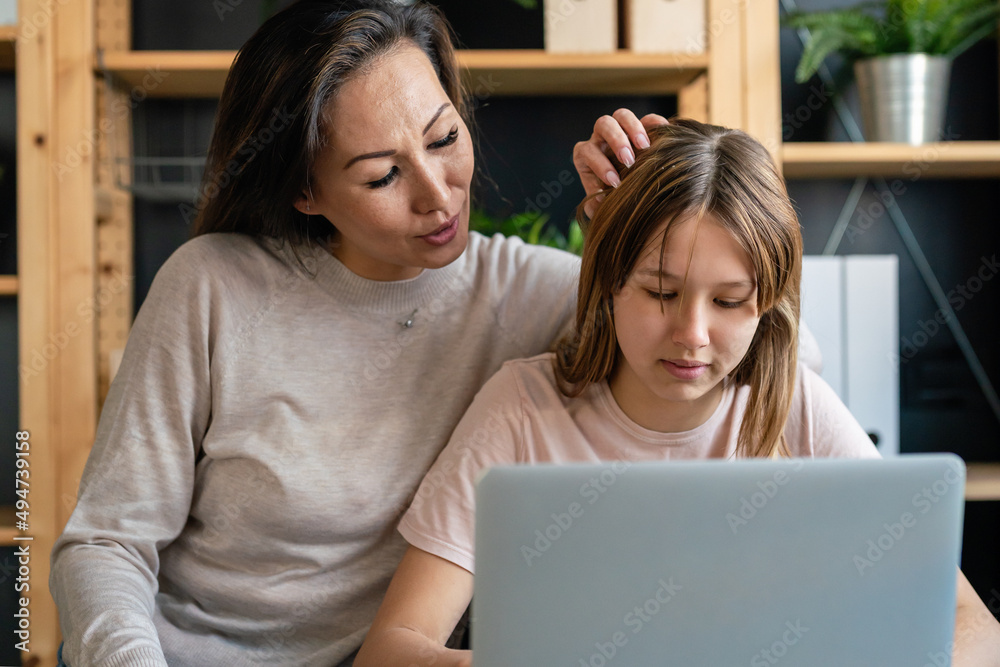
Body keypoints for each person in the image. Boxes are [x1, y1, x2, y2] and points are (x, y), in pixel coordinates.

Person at [48, 1, 668, 665]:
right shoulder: (211, 287)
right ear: (305, 192)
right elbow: (105, 542)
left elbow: (764, 363)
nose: (438, 194)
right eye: (382, 174)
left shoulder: (533, 295)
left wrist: (650, 224)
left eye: (442, 138)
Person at [355, 119, 1000, 667]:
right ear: (607, 280)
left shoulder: (792, 407)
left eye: (728, 301)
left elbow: (974, 625)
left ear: (766, 305)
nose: (691, 336)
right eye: (661, 293)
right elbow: (391, 648)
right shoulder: (523, 408)